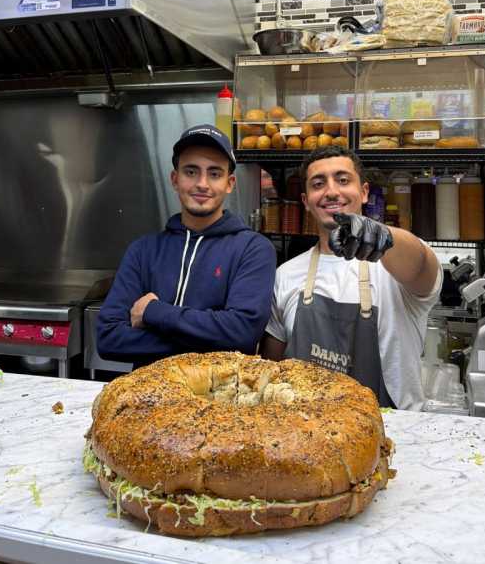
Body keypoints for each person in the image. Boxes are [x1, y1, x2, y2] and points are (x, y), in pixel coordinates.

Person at [260, 146, 441, 411]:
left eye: (343, 180)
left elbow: (421, 265)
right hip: (306, 435)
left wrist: (385, 238)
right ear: (306, 200)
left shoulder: (396, 265)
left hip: (387, 437)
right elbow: (271, 371)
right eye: (318, 184)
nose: (331, 191)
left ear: (364, 192)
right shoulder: (285, 275)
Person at [96, 124, 277, 366]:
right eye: (191, 172)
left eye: (214, 173)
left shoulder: (253, 249)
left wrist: (153, 311)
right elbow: (108, 339)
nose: (202, 184)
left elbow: (241, 335)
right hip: (147, 397)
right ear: (175, 178)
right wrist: (208, 340)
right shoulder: (143, 251)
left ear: (229, 183)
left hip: (218, 399)